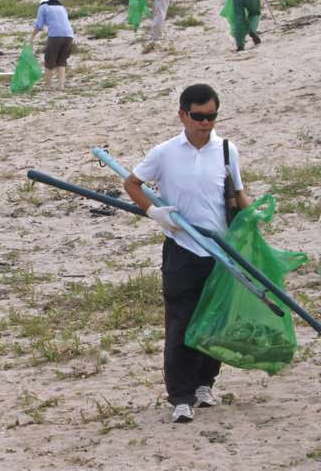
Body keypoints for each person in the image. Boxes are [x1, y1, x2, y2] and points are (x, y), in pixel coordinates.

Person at [123, 84, 250, 424]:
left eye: (211, 116)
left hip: (220, 250)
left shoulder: (226, 150)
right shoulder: (165, 152)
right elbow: (132, 184)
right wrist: (153, 212)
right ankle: (180, 397)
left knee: (215, 321)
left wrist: (251, 226)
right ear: (182, 115)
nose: (205, 123)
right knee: (181, 321)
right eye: (198, 117)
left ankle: (204, 385)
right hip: (182, 249)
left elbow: (238, 194)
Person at [29, 0, 74, 90]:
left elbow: (39, 25)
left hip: (55, 36)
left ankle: (48, 86)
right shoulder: (62, 7)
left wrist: (32, 37)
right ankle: (61, 86)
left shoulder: (43, 7)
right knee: (61, 61)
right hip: (69, 35)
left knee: (49, 61)